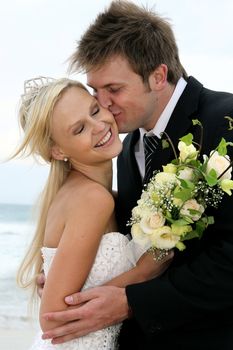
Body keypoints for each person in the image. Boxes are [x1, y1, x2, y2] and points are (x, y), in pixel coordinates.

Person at [38, 1, 233, 349]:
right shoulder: (127, 150)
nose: (104, 104)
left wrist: (132, 301)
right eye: (95, 90)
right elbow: (134, 244)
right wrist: (71, 279)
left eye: (113, 89)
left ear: (158, 76)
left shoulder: (226, 122)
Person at [14, 76, 172, 350]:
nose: (99, 126)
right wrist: (143, 272)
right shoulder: (92, 199)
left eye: (95, 110)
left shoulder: (96, 194)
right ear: (58, 150)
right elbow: (52, 321)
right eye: (79, 129)